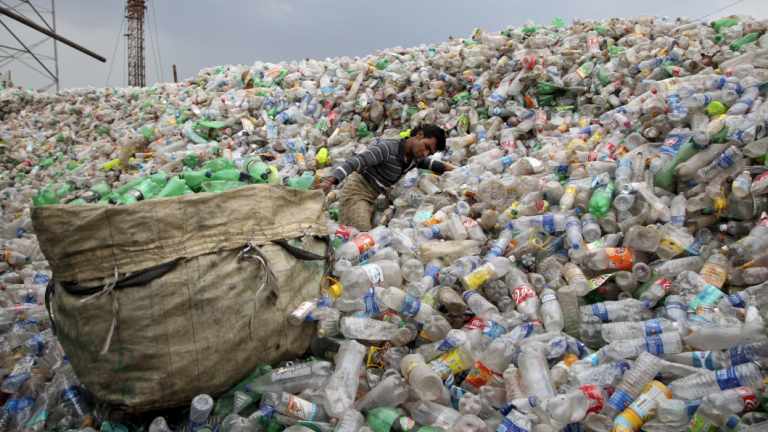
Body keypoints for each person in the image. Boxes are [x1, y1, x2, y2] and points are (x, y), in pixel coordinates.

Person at [315, 124, 455, 231]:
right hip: (357, 193)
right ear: (419, 135)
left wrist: (456, 170)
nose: (425, 153)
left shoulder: (414, 157)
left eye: (429, 152)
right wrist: (331, 180)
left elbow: (430, 164)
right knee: (362, 237)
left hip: (377, 198)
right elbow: (356, 161)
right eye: (426, 146)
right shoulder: (387, 149)